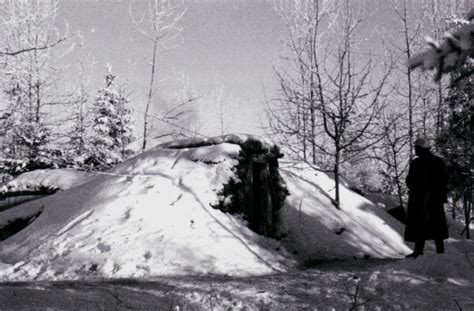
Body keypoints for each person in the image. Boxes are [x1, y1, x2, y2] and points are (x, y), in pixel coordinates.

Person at [405, 137, 448, 258]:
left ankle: (437, 251)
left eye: (417, 148)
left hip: (430, 198)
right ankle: (423, 251)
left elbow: (443, 181)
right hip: (426, 199)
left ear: (422, 149)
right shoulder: (422, 162)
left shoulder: (428, 163)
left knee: (432, 224)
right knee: (424, 224)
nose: (415, 151)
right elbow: (410, 181)